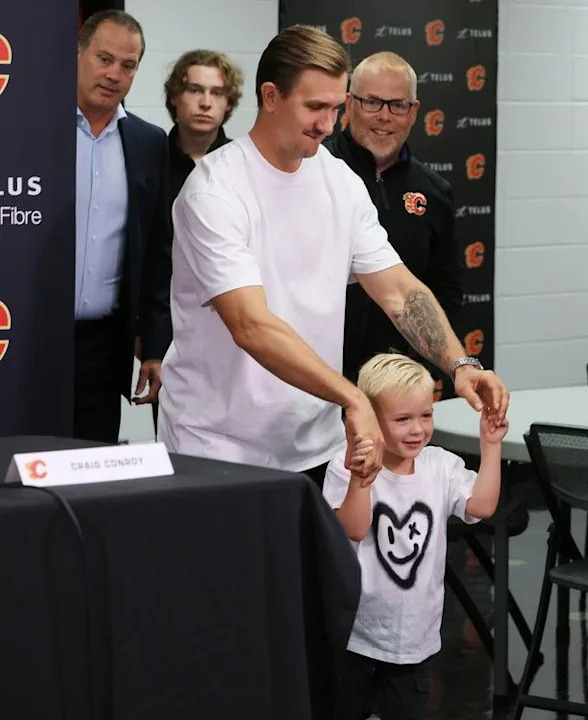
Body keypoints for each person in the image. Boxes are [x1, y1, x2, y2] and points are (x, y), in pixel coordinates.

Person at [158, 25, 507, 485]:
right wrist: (353, 397)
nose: (327, 124)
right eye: (314, 107)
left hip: (315, 441)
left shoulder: (339, 182)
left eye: (335, 108)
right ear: (270, 96)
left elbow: (399, 291)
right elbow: (251, 326)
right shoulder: (215, 191)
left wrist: (460, 365)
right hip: (218, 443)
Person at [323, 353, 506, 720]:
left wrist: (491, 445)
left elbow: (482, 506)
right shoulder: (344, 467)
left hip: (413, 640)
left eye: (426, 415)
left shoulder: (440, 465)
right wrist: (362, 477)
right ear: (372, 420)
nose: (417, 429)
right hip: (355, 635)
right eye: (402, 419)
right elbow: (353, 529)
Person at [325, 51, 461, 381]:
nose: (384, 116)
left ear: (413, 112)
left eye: (397, 105)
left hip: (399, 385)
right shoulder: (316, 172)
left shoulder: (433, 190)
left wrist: (422, 368)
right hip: (318, 375)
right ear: (349, 104)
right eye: (372, 102)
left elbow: (445, 291)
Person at [74, 10, 172, 443]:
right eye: (104, 58)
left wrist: (154, 345)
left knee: (87, 480)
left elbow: (156, 251)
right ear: (78, 55)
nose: (114, 74)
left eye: (128, 65)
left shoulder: (150, 143)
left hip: (104, 346)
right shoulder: (29, 129)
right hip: (27, 334)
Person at [164, 49, 244, 206]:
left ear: (228, 103)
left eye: (216, 93)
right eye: (194, 90)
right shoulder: (151, 161)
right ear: (174, 96)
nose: (206, 103)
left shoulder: (242, 163)